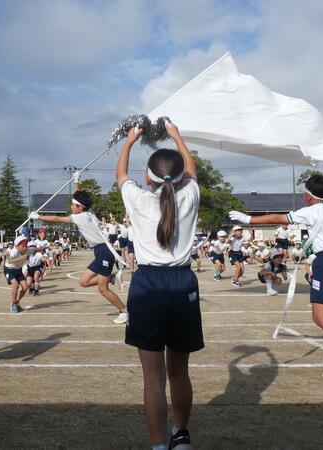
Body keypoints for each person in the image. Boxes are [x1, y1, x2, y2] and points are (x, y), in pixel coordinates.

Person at [230, 174, 323, 380]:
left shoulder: (310, 211)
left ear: (310, 196)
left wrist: (248, 219)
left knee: (320, 316)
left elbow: (278, 218)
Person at [116, 121, 201, 450]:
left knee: (152, 377)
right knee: (179, 372)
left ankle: (158, 445)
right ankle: (181, 435)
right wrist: (177, 135)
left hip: (148, 285)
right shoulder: (190, 195)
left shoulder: (138, 199)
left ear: (149, 178)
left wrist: (129, 141)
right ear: (181, 178)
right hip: (182, 284)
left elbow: (121, 175)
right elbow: (191, 171)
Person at [31, 172, 128, 324]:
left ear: (80, 207)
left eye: (72, 205)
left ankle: (124, 311)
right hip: (100, 251)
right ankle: (112, 278)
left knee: (103, 289)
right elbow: (79, 195)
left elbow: (57, 218)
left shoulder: (79, 217)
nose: (70, 206)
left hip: (104, 251)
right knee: (83, 282)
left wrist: (38, 217)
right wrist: (76, 180)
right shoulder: (87, 212)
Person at [3, 236, 31, 313]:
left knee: (25, 287)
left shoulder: (27, 251)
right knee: (15, 284)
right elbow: (9, 261)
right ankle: (13, 303)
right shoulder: (14, 251)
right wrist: (22, 258)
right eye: (23, 246)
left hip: (18, 270)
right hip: (9, 270)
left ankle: (16, 302)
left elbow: (35, 250)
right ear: (17, 246)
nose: (24, 248)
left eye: (26, 246)